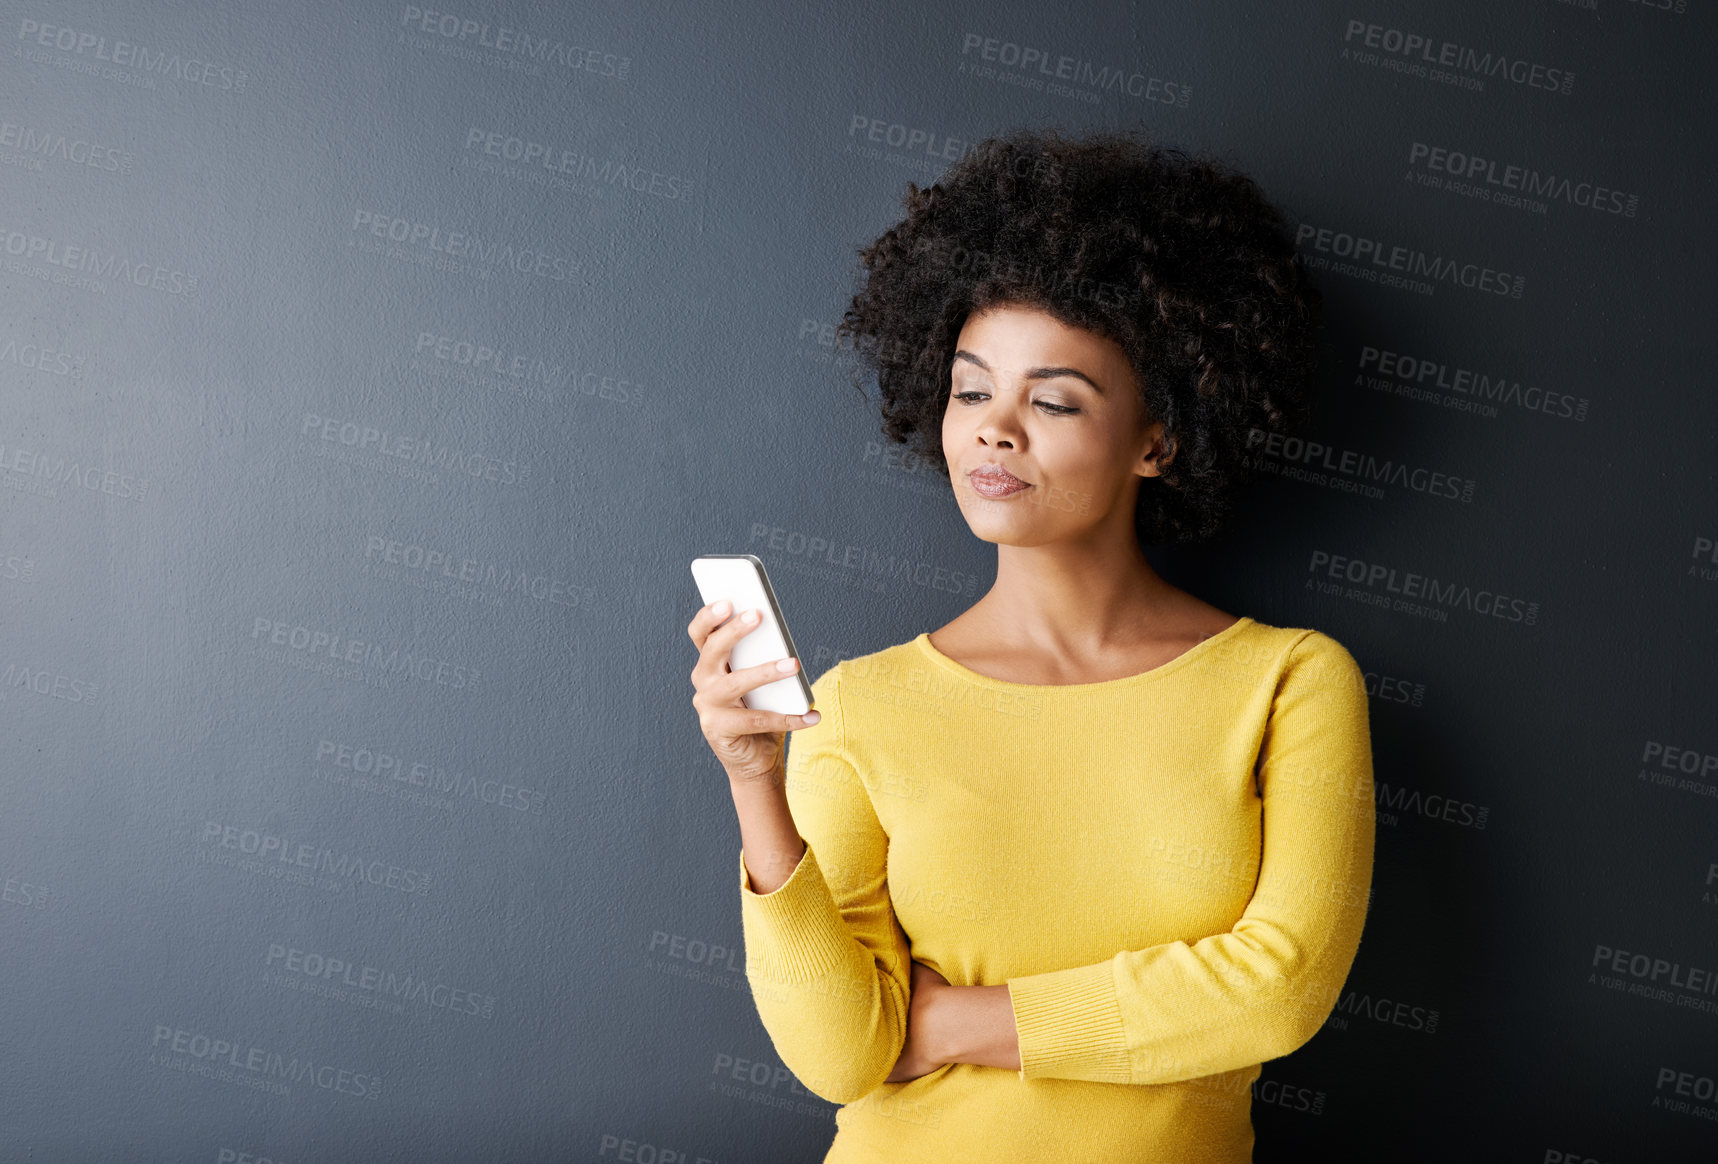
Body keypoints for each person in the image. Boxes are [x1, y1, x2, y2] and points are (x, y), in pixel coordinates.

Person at [687, 126, 1375, 1162]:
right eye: (971, 390)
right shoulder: (860, 704)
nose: (992, 430)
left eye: (1051, 400)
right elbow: (839, 1056)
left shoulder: (1286, 683)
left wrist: (958, 1021)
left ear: (1159, 439)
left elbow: (1274, 993)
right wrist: (752, 783)